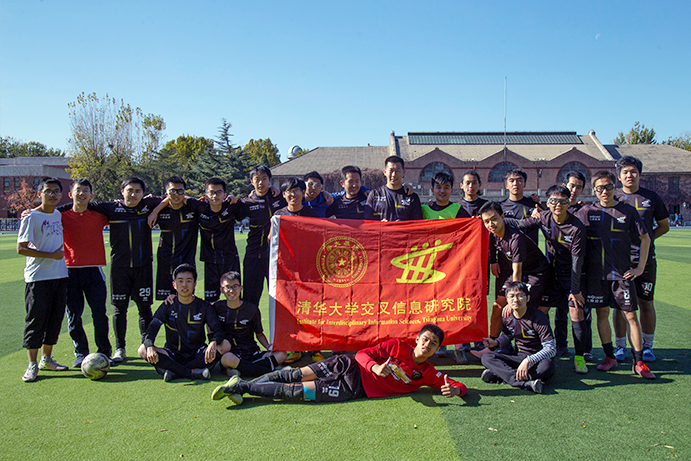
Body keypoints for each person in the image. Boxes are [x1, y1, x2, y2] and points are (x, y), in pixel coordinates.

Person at [211, 324, 467, 405]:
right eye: (425, 339)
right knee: (294, 375)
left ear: (437, 349)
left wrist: (456, 390)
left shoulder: (428, 374)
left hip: (353, 389)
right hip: (346, 365)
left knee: (295, 392)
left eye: (433, 344)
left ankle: (240, 386)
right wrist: (376, 368)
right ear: (417, 339)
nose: (427, 345)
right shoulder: (397, 346)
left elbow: (458, 386)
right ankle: (241, 386)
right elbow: (363, 354)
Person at [506, 185, 588, 372]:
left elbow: (577, 263)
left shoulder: (577, 228)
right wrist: (496, 219)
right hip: (551, 273)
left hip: (571, 275)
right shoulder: (544, 218)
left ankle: (579, 357)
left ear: (568, 203)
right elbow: (520, 224)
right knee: (540, 311)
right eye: (553, 201)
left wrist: (575, 289)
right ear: (548, 203)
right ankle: (538, 350)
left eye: (563, 201)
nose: (558, 205)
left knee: (576, 312)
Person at [581, 171, 654, 378]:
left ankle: (638, 361)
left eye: (609, 187)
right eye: (600, 188)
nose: (605, 191)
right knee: (601, 314)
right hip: (597, 275)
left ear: (615, 187)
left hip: (622, 275)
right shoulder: (587, 211)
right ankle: (609, 357)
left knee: (631, 316)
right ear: (594, 190)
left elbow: (646, 238)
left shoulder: (628, 211)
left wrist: (640, 268)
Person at [88, 177, 162, 362]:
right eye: (130, 190)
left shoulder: (147, 205)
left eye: (138, 191)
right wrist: (37, 210)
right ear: (122, 191)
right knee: (119, 309)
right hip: (119, 268)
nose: (133, 194)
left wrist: (155, 211)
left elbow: (172, 196)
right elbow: (81, 203)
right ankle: (120, 348)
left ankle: (147, 345)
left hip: (143, 267)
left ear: (143, 193)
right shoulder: (112, 208)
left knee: (144, 309)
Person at [613, 156, 669, 362]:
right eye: (625, 172)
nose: (630, 175)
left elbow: (664, 226)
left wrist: (645, 240)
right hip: (620, 260)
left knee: (646, 303)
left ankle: (647, 346)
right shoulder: (614, 196)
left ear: (639, 174)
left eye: (633, 171)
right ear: (619, 176)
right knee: (619, 305)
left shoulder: (651, 197)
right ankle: (620, 347)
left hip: (645, 261)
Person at [17, 177, 70, 382]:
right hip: (38, 277)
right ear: (40, 194)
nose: (52, 194)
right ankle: (32, 364)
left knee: (55, 320)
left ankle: (46, 359)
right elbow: (21, 248)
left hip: (60, 275)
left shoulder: (58, 214)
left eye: (56, 191)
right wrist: (51, 256)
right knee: (36, 320)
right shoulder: (31, 217)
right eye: (48, 191)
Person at [137, 264, 223, 382]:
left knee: (224, 345)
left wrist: (213, 342)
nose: (184, 285)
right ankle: (192, 372)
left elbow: (218, 330)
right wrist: (150, 346)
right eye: (180, 281)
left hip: (198, 354)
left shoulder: (204, 306)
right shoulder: (167, 305)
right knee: (143, 349)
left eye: (188, 281)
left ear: (194, 284)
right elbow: (152, 329)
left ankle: (175, 371)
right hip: (172, 354)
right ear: (174, 285)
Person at [479, 201, 550, 343]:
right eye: (486, 221)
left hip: (536, 273)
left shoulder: (515, 238)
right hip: (520, 272)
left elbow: (517, 272)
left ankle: (530, 346)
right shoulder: (493, 233)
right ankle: (493, 344)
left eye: (494, 219)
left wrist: (512, 300)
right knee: (497, 306)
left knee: (522, 307)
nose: (490, 224)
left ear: (502, 217)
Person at [59, 179, 112, 367]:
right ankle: (81, 353)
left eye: (85, 191)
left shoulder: (99, 215)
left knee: (99, 313)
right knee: (74, 315)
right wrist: (29, 212)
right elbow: (43, 213)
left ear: (91, 195)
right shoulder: (61, 215)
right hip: (69, 271)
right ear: (70, 194)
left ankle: (104, 351)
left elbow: (120, 208)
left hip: (94, 270)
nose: (81, 194)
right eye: (78, 190)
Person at [420, 171, 470, 363]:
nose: (442, 191)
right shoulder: (424, 209)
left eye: (446, 187)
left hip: (452, 265)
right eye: (439, 187)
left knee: (454, 306)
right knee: (433, 307)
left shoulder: (458, 210)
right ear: (432, 189)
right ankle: (438, 344)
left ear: (452, 190)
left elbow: (471, 231)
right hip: (429, 267)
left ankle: (459, 347)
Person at [480, 282, 555, 394]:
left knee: (547, 367)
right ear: (507, 299)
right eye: (511, 296)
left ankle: (502, 375)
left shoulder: (538, 317)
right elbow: (508, 335)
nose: (515, 300)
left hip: (537, 359)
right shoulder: (508, 316)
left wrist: (529, 361)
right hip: (519, 357)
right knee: (487, 357)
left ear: (528, 298)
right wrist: (496, 342)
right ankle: (523, 382)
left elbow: (551, 349)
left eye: (520, 296)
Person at [213, 271, 287, 377]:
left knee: (282, 355)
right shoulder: (216, 307)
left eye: (235, 286)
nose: (231, 291)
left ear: (241, 288)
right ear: (221, 290)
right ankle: (270, 370)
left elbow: (259, 334)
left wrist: (268, 347)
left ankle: (243, 369)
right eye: (227, 287)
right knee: (226, 359)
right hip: (232, 354)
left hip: (252, 352)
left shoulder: (251, 309)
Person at [236, 165, 287, 306]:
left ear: (270, 180)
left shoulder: (280, 197)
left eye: (264, 179)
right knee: (250, 299)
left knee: (281, 299)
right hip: (253, 256)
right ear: (251, 181)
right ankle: (251, 322)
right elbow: (230, 211)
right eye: (257, 179)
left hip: (277, 257)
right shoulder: (246, 202)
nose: (260, 182)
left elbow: (300, 195)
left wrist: (325, 193)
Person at [150, 177, 200, 300]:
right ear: (166, 193)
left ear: (185, 193)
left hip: (187, 262)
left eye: (180, 191)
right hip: (165, 261)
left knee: (186, 300)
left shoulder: (193, 209)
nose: (176, 194)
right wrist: (155, 210)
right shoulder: (159, 208)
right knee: (167, 302)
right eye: (172, 191)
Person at [364, 156, 423, 221]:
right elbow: (367, 222)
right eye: (391, 171)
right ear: (385, 172)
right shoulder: (374, 195)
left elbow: (418, 223)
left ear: (403, 172)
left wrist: (403, 225)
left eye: (397, 171)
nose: (394, 175)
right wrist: (380, 225)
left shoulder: (411, 197)